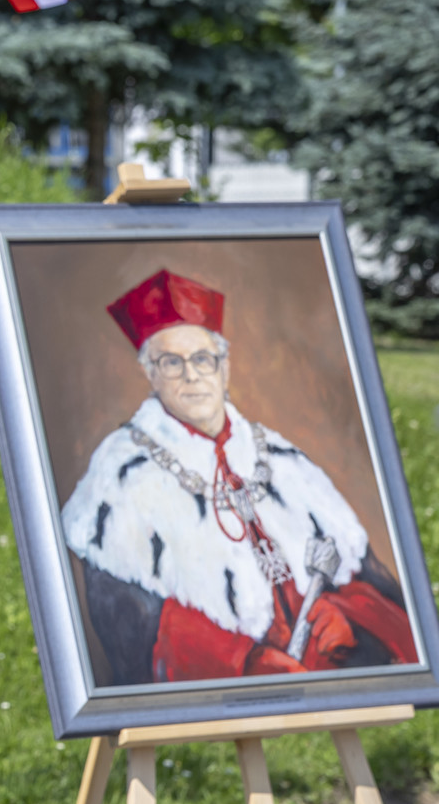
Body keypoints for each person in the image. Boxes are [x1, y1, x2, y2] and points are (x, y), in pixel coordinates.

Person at [60, 269, 415, 686]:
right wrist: (243, 663)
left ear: (224, 367)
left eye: (203, 359)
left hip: (327, 675)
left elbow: (366, 580)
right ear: (150, 373)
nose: (191, 375)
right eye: (171, 363)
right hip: (229, 688)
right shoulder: (122, 471)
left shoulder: (282, 458)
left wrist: (345, 617)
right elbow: (131, 621)